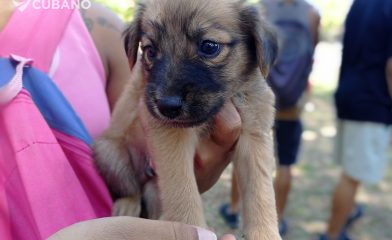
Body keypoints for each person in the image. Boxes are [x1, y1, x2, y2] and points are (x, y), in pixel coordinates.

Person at [0, 1, 240, 239]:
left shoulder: (95, 26)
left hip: (116, 200)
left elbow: (138, 133)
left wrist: (172, 182)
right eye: (152, 52)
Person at [219, 0, 320, 236]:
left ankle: (234, 209)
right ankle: (278, 217)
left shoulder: (258, 9)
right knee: (285, 161)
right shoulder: (312, 13)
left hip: (258, 94)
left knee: (245, 152)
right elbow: (310, 53)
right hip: (291, 101)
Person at [319, 0, 392, 239]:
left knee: (352, 169)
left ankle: (349, 212)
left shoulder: (360, 3)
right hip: (371, 101)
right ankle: (333, 235)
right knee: (352, 176)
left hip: (349, 93)